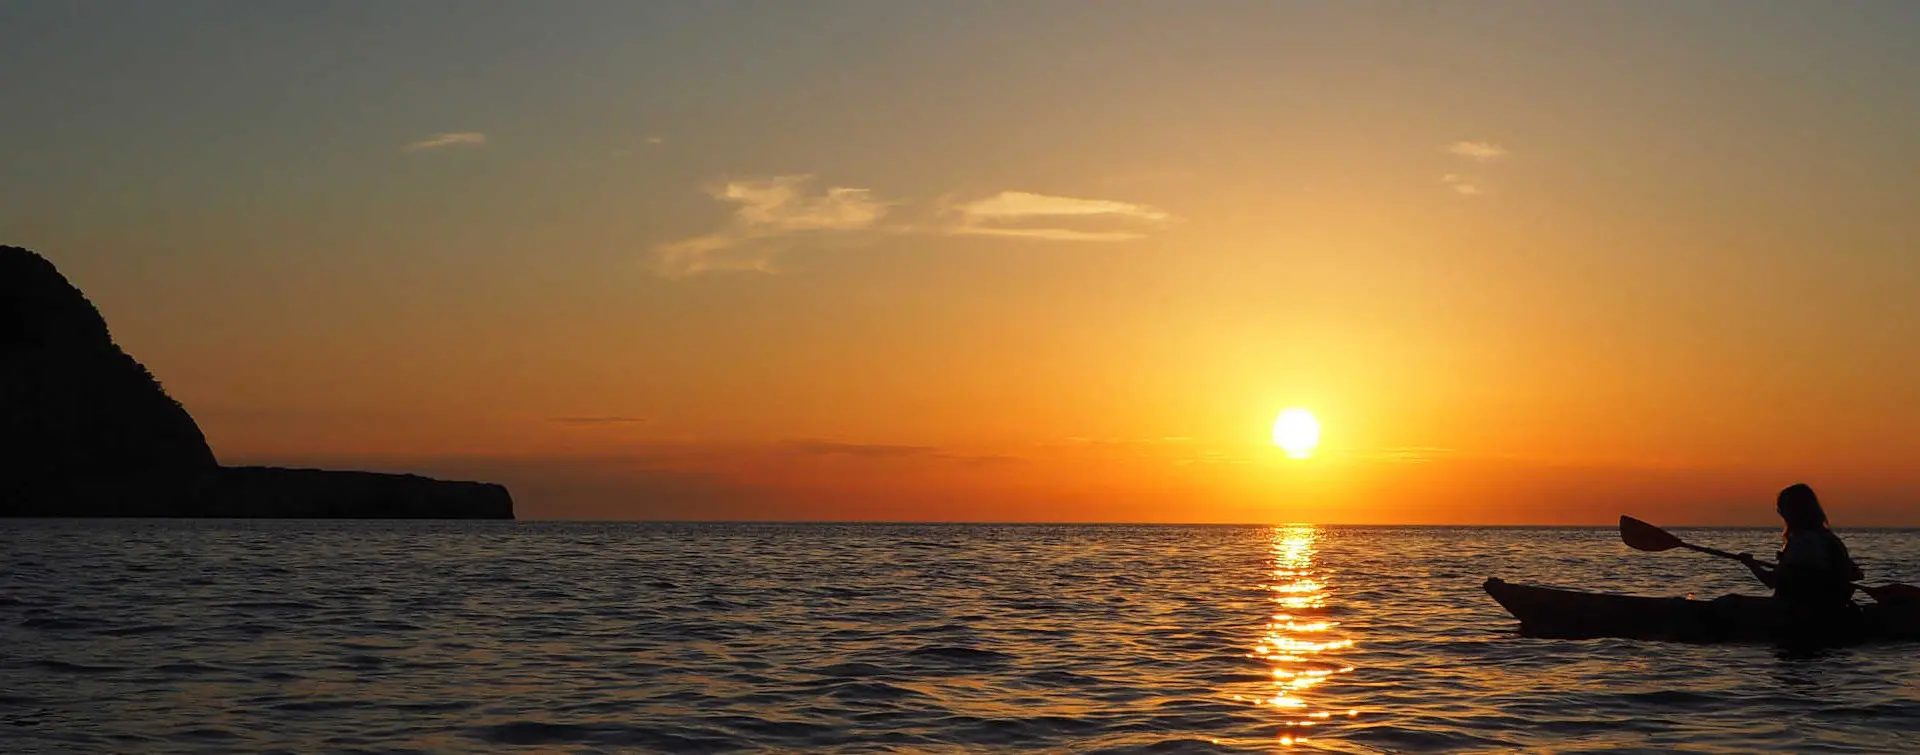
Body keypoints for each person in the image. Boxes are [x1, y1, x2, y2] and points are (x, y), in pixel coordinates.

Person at [1738, 483, 1864, 640]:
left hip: (1797, 614)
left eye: (1781, 508)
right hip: (1828, 610)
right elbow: (1855, 574)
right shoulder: (1830, 539)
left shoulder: (1803, 542)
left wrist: (1750, 564)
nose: (1780, 513)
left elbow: (1772, 581)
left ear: (1793, 512)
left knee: (1730, 603)